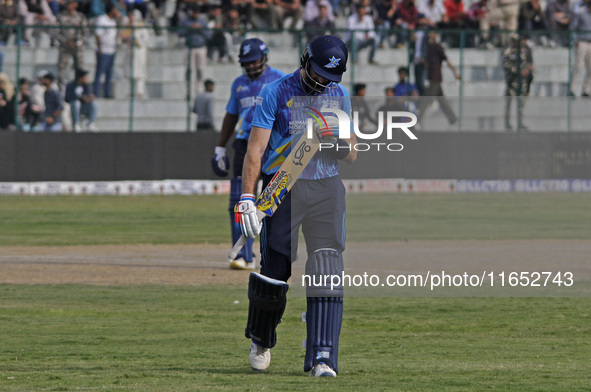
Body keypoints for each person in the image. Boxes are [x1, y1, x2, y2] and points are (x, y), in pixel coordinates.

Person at [236, 35, 357, 377]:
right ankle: (261, 338)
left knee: (327, 266)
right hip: (283, 188)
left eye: (328, 78)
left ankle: (323, 356)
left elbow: (352, 153)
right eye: (317, 74)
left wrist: (333, 141)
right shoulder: (275, 92)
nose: (321, 83)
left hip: (326, 187)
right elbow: (255, 151)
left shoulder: (340, 96)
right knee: (275, 271)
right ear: (305, 60)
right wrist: (247, 198)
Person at [211, 38, 285, 270]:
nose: (251, 66)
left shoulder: (280, 79)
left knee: (271, 201)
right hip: (244, 143)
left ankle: (271, 254)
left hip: (273, 144)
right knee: (239, 199)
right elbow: (231, 116)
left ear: (264, 58)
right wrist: (220, 147)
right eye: (246, 62)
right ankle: (243, 255)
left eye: (254, 61)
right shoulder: (238, 84)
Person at [418, 29, 460, 128]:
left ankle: (418, 119)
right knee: (442, 100)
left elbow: (446, 60)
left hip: (435, 77)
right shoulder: (427, 47)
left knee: (426, 98)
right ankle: (453, 119)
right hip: (431, 76)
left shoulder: (437, 47)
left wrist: (455, 73)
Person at [502, 34, 533, 131]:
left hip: (521, 83)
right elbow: (505, 65)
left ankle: (520, 122)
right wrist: (517, 70)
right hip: (511, 82)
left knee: (521, 104)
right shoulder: (508, 52)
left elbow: (525, 64)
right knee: (509, 104)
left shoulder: (522, 52)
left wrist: (526, 70)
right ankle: (507, 122)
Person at [56, 0, 88, 89]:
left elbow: (85, 33)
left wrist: (77, 42)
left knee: (79, 67)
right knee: (62, 67)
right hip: (64, 46)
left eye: (71, 3)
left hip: (77, 46)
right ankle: (61, 87)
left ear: (75, 5)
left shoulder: (80, 17)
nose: (68, 6)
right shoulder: (60, 16)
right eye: (68, 4)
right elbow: (56, 32)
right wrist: (65, 40)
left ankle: (79, 88)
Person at [180, 5, 211, 96]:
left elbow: (209, 35)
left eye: (197, 12)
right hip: (190, 48)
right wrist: (190, 29)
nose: (195, 14)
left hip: (201, 47)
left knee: (200, 70)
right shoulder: (186, 21)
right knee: (189, 70)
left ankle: (199, 90)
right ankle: (188, 90)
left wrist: (200, 28)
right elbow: (180, 33)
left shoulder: (202, 22)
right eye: (194, 12)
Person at [93, 2, 121, 98]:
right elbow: (98, 35)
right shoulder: (102, 20)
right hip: (103, 50)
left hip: (111, 50)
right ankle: (95, 91)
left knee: (109, 73)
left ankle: (107, 92)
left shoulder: (113, 21)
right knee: (99, 72)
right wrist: (100, 48)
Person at [123, 9, 149, 98]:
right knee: (130, 73)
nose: (130, 18)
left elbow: (144, 41)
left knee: (140, 73)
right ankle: (130, 92)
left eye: (132, 16)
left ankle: (140, 92)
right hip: (130, 52)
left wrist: (135, 40)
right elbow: (123, 38)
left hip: (139, 52)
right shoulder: (128, 27)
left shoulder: (142, 27)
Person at [569, 0, 591, 97]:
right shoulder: (582, 14)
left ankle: (586, 90)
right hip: (582, 42)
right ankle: (571, 89)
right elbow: (573, 27)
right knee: (578, 67)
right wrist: (576, 41)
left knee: (590, 69)